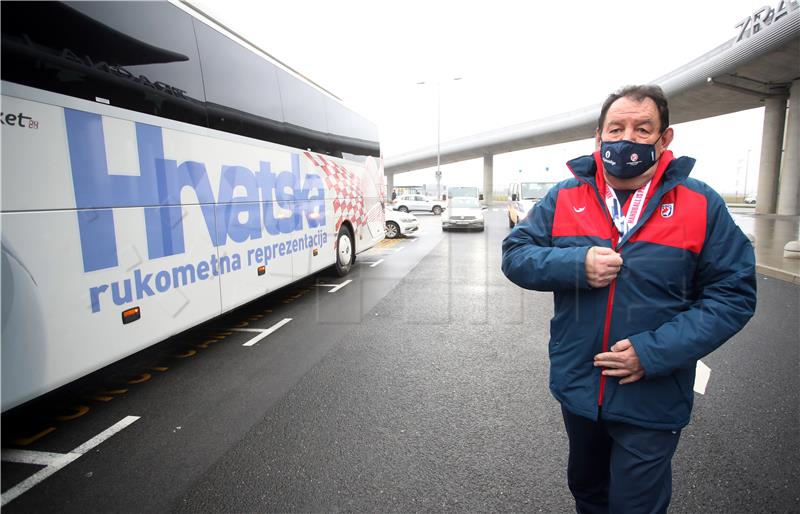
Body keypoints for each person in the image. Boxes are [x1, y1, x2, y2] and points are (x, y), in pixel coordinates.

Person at [501, 84, 756, 513]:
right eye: (616, 129)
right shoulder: (565, 195)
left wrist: (651, 352)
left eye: (643, 129)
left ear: (665, 139)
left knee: (635, 506)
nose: (627, 140)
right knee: (588, 493)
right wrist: (575, 264)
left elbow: (733, 295)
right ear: (599, 137)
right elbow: (516, 254)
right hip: (579, 387)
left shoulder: (700, 203)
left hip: (652, 393)